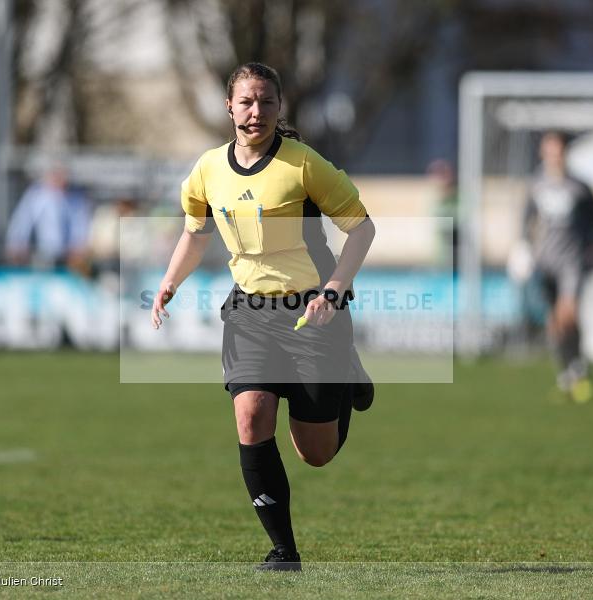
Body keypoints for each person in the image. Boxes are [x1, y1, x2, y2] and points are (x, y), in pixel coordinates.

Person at [150, 62, 375, 571]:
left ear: (279, 107)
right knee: (251, 416)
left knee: (315, 453)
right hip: (249, 312)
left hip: (312, 313)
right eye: (247, 102)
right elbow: (196, 232)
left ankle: (348, 375)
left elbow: (361, 230)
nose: (256, 112)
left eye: (266, 102)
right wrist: (169, 281)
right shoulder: (207, 169)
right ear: (229, 107)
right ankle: (283, 551)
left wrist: (336, 290)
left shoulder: (303, 165)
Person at [516, 131, 593, 403]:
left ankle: (578, 365)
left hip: (573, 261)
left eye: (557, 150)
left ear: (565, 153)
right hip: (545, 260)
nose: (553, 156)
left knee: (568, 312)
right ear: (543, 153)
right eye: (549, 150)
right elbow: (526, 220)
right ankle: (568, 371)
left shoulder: (579, 187)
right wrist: (522, 247)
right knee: (554, 322)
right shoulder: (535, 185)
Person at [5, 163, 91, 271]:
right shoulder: (36, 196)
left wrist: (78, 247)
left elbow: (80, 226)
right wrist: (17, 244)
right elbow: (22, 222)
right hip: (42, 255)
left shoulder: (76, 198)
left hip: (68, 257)